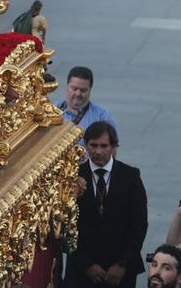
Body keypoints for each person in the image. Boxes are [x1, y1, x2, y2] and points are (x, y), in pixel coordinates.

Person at [64, 121, 147, 288]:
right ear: (86, 146)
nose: (98, 151)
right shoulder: (73, 176)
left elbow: (139, 224)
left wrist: (122, 263)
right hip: (82, 272)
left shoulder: (130, 177)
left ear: (113, 147)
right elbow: (65, 225)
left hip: (120, 271)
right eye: (93, 146)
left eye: (104, 146)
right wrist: (86, 265)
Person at [56, 66, 117, 138]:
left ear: (90, 90)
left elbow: (112, 145)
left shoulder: (101, 116)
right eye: (74, 89)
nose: (78, 94)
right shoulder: (52, 111)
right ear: (67, 86)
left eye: (83, 90)